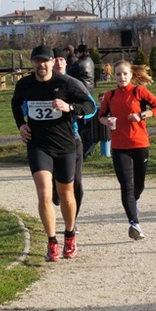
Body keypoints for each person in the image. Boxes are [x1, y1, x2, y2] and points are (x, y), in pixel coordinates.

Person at [10, 44, 95, 262]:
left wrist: (70, 108)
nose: (42, 65)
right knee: (44, 194)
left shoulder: (65, 83)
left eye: (45, 61)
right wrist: (21, 125)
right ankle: (51, 242)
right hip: (38, 145)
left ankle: (69, 235)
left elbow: (90, 105)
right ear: (32, 63)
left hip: (65, 145)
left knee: (66, 194)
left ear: (52, 62)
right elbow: (16, 103)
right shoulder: (25, 84)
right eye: (37, 61)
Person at [98, 60, 156, 240]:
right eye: (118, 74)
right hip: (119, 147)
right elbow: (101, 116)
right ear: (114, 76)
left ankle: (134, 204)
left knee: (138, 186)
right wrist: (107, 121)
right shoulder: (109, 96)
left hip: (140, 144)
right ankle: (134, 224)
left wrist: (141, 115)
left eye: (125, 74)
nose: (121, 77)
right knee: (126, 186)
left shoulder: (139, 91)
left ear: (131, 75)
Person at [50, 47, 97, 226]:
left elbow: (91, 107)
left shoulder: (74, 83)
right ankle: (56, 190)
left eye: (61, 59)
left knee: (75, 181)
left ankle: (72, 220)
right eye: (54, 59)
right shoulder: (40, 84)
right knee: (55, 179)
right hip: (49, 138)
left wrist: (78, 111)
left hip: (72, 136)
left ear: (66, 62)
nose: (58, 62)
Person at [67, 44, 96, 157]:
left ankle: (82, 149)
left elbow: (68, 73)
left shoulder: (79, 63)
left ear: (79, 52)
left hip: (81, 92)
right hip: (90, 90)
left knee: (81, 123)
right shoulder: (90, 61)